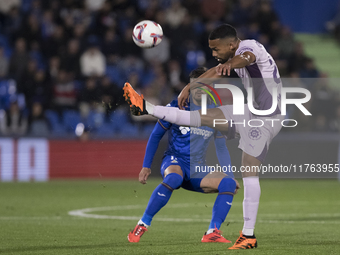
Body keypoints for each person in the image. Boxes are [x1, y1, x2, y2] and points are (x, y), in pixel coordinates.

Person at [124, 24, 284, 250]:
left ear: (230, 45)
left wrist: (228, 65)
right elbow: (216, 71)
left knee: (249, 170)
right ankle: (147, 107)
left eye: (216, 50)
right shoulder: (230, 57)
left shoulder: (248, 48)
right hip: (251, 110)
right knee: (202, 116)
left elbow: (244, 59)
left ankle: (248, 235)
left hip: (267, 118)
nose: (213, 54)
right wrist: (189, 87)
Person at [128, 67, 238, 243]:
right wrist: (146, 166)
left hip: (197, 168)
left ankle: (212, 231)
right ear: (190, 86)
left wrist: (230, 176)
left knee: (228, 183)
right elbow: (156, 135)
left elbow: (221, 147)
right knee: (173, 178)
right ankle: (143, 223)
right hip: (174, 160)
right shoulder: (175, 107)